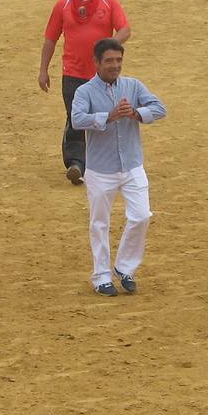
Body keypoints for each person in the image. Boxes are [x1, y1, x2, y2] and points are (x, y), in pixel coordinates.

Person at [71, 38, 166, 297]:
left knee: (142, 215)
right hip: (101, 169)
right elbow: (77, 120)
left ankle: (125, 267)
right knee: (99, 223)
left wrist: (136, 113)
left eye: (119, 60)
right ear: (97, 62)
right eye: (110, 61)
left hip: (132, 165)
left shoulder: (133, 86)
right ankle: (101, 276)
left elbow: (160, 108)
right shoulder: (85, 92)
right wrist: (110, 116)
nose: (115, 66)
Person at [39, 0, 131, 185]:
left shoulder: (109, 2)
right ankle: (76, 164)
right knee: (76, 117)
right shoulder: (63, 5)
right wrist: (43, 70)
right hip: (73, 73)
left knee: (106, 116)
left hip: (102, 76)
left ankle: (100, 162)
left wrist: (107, 47)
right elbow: (50, 40)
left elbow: (125, 30)